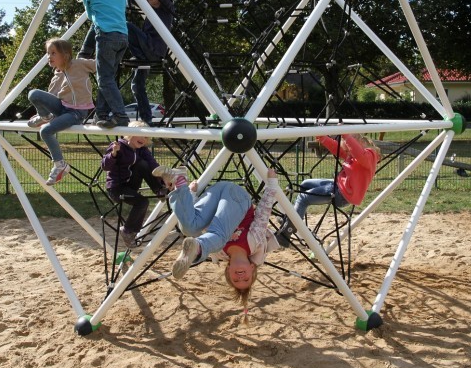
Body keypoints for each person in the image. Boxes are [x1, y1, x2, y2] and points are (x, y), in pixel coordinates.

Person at [153, 166, 280, 314]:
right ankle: (198, 248)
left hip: (215, 193)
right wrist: (271, 184)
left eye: (236, 280)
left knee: (189, 229)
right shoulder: (255, 241)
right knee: (219, 236)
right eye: (246, 280)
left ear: (228, 271)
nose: (240, 278)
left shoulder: (220, 253)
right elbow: (263, 212)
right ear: (252, 269)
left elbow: (204, 225)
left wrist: (192, 195)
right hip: (237, 197)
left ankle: (179, 181)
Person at [276, 134, 380, 247]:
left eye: (348, 150)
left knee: (303, 198)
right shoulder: (354, 155)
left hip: (342, 194)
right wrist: (323, 138)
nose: (347, 154)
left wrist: (346, 135)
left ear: (359, 142)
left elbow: (359, 153)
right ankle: (292, 219)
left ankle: (287, 232)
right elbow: (338, 149)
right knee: (304, 184)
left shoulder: (369, 155)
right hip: (338, 185)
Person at [67, 0, 131, 129]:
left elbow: (91, 16)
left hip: (106, 36)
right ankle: (100, 114)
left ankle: (120, 115)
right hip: (123, 35)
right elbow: (123, 2)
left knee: (104, 79)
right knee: (107, 77)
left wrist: (84, 51)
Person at [27, 38, 96, 185]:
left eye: (53, 53)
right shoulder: (58, 73)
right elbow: (51, 96)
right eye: (48, 53)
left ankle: (60, 165)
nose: (49, 57)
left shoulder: (79, 64)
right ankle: (44, 116)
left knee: (45, 131)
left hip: (76, 113)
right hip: (62, 108)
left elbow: (102, 65)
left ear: (65, 55)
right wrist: (45, 110)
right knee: (34, 94)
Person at [101, 121, 168, 247]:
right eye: (141, 135)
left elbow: (152, 164)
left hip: (131, 185)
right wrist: (114, 154)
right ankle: (127, 231)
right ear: (130, 134)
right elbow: (105, 166)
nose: (144, 139)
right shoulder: (118, 146)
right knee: (143, 202)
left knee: (143, 164)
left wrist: (164, 178)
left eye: (146, 137)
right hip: (117, 188)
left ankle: (159, 189)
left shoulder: (141, 150)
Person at [126, 0, 175, 125]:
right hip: (146, 52)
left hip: (153, 50)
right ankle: (147, 118)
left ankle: (138, 55)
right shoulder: (150, 11)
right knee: (136, 85)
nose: (151, 1)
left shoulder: (166, 10)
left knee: (126, 26)